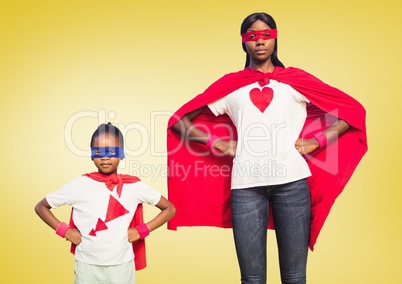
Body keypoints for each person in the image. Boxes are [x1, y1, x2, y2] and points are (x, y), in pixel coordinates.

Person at [167, 12, 367, 284]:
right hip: (246, 187)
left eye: (266, 35)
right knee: (251, 279)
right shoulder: (231, 86)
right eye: (252, 36)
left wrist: (316, 141)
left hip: (293, 185)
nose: (259, 42)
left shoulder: (294, 81)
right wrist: (218, 144)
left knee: (295, 277)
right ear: (243, 42)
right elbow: (180, 121)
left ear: (275, 39)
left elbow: (352, 111)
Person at [35, 122, 176, 284]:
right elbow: (41, 207)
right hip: (86, 265)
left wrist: (141, 230)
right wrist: (66, 231)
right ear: (91, 154)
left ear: (122, 154)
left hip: (121, 266)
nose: (105, 156)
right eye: (98, 151)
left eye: (112, 151)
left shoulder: (133, 186)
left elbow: (169, 208)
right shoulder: (79, 185)